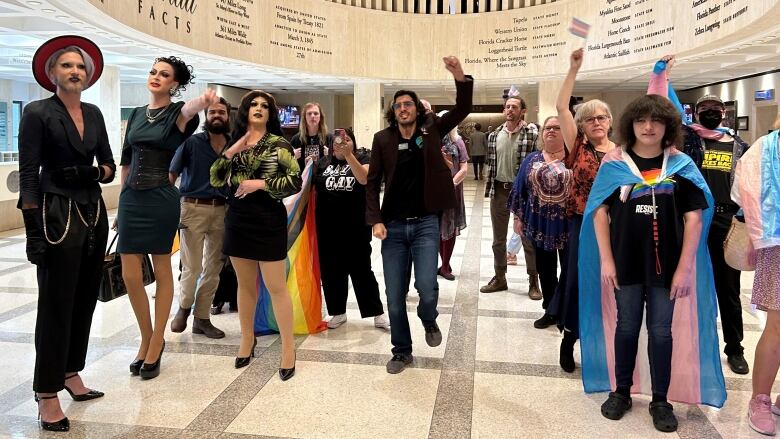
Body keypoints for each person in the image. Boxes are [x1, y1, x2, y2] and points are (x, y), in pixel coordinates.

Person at [580, 94, 725, 433]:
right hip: (625, 263)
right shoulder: (615, 164)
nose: (648, 127)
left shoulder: (680, 166)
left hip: (668, 268)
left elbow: (694, 219)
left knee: (661, 331)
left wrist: (685, 268)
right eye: (641, 120)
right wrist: (606, 261)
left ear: (667, 126)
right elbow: (600, 213)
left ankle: (661, 399)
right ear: (630, 125)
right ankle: (621, 392)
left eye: (656, 121)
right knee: (627, 326)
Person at [19, 35, 115, 432]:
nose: (74, 72)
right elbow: (27, 175)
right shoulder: (37, 113)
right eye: (67, 66)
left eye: (80, 67)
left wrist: (92, 173)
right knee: (56, 305)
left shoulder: (93, 112)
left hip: (93, 213)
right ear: (52, 73)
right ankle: (46, 392)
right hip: (56, 216)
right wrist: (32, 232)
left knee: (83, 302)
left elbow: (109, 164)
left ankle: (72, 372)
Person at [366, 56, 472, 374]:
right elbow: (372, 183)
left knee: (427, 286)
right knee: (394, 296)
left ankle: (429, 318)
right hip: (394, 227)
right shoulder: (382, 139)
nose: (403, 108)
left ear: (417, 108)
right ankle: (401, 351)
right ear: (393, 111)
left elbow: (462, 109)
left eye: (408, 104)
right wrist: (376, 220)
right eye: (398, 105)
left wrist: (459, 76)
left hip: (426, 222)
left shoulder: (431, 131)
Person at [118, 56, 217, 380]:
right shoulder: (134, 114)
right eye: (153, 72)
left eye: (164, 74)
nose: (156, 77)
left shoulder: (177, 114)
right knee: (131, 274)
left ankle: (156, 340)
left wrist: (204, 100)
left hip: (161, 197)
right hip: (132, 199)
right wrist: (121, 203)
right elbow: (126, 160)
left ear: (174, 83)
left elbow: (189, 111)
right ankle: (147, 336)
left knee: (162, 270)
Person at [210, 90, 301, 380]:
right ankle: (247, 339)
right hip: (238, 220)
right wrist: (232, 150)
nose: (259, 109)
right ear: (246, 111)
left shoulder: (279, 144)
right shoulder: (234, 144)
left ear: (270, 114)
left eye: (265, 106)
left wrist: (259, 183)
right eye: (254, 105)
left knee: (275, 286)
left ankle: (288, 347)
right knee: (245, 286)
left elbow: (294, 181)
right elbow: (215, 178)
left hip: (268, 220)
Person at [549, 48, 617, 373]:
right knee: (579, 280)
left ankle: (604, 344)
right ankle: (570, 337)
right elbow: (561, 106)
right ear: (582, 125)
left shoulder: (622, 152)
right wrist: (573, 68)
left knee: (611, 284)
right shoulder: (579, 146)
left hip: (617, 227)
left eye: (601, 117)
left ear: (610, 121)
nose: (596, 122)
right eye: (589, 118)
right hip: (584, 224)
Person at [168, 97, 232, 339]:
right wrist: (166, 207)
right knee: (192, 266)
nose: (217, 115)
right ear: (207, 115)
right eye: (213, 112)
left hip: (222, 211)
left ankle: (202, 318)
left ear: (227, 116)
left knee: (213, 267)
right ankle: (184, 307)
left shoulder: (233, 145)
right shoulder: (192, 143)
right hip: (192, 208)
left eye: (221, 112)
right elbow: (171, 174)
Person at [314, 128, 389, 330]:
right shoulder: (322, 163)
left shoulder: (363, 157)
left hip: (355, 228)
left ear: (352, 142)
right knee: (331, 272)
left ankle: (376, 312)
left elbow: (364, 178)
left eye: (345, 140)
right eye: (336, 141)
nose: (340, 143)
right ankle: (337, 312)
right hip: (328, 229)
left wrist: (348, 155)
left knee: (362, 271)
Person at [732, 121, 780, 436]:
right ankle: (759, 400)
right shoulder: (767, 147)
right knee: (777, 327)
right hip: (777, 244)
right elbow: (745, 193)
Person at [508, 116, 571, 329]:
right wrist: (518, 217)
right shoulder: (532, 158)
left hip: (569, 225)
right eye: (548, 128)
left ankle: (566, 309)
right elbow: (520, 189)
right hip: (539, 224)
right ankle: (550, 310)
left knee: (569, 269)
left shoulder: (574, 158)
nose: (551, 131)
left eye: (557, 127)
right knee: (545, 269)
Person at [480, 88, 540, 297]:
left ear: (522, 111)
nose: (510, 110)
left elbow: (537, 163)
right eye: (507, 107)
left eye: (514, 107)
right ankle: (500, 278)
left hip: (523, 193)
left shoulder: (532, 133)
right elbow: (492, 165)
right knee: (498, 239)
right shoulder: (495, 135)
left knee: (527, 238)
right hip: (499, 190)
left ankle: (533, 281)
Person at [438, 121, 469, 281]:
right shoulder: (433, 141)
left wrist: (452, 183)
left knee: (450, 225)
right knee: (437, 226)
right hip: (435, 191)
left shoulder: (458, 142)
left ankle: (445, 265)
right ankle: (444, 263)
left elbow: (464, 168)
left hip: (452, 190)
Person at [291, 102, 332, 172]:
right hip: (302, 179)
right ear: (305, 117)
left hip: (322, 179)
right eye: (309, 113)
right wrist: (292, 157)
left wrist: (330, 155)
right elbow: (285, 165)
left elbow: (337, 163)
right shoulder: (296, 139)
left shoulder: (329, 138)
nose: (312, 116)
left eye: (316, 113)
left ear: (320, 117)